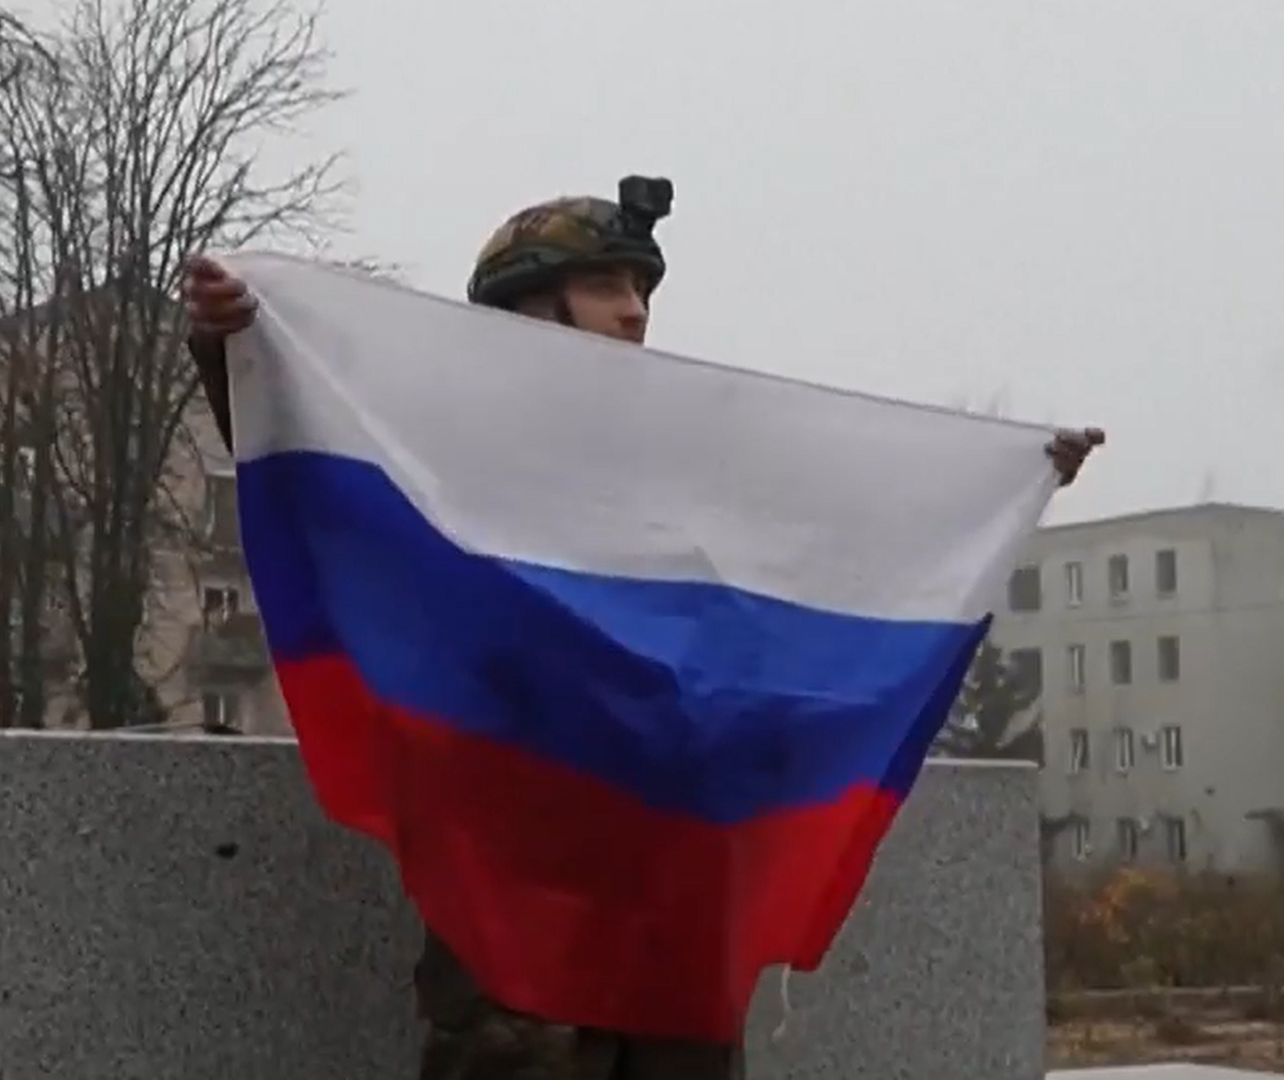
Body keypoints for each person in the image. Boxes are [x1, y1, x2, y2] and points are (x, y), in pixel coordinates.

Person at [179, 176, 1103, 1080]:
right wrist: (236, 345)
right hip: (519, 921)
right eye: (606, 286)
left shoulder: (684, 460)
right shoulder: (443, 453)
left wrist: (1006, 482)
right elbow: (317, 458)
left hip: (675, 914)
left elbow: (832, 539)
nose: (634, 311)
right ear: (528, 308)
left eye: (641, 290)